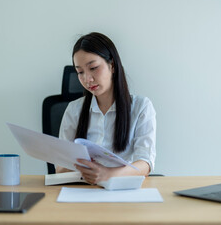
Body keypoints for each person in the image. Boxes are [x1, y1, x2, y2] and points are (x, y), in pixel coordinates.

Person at [56, 32, 156, 184]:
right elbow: (60, 169)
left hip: (123, 190)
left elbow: (145, 164)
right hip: (82, 191)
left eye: (93, 68)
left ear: (112, 65)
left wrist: (108, 174)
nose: (87, 79)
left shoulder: (141, 107)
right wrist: (80, 164)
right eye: (80, 72)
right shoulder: (74, 110)